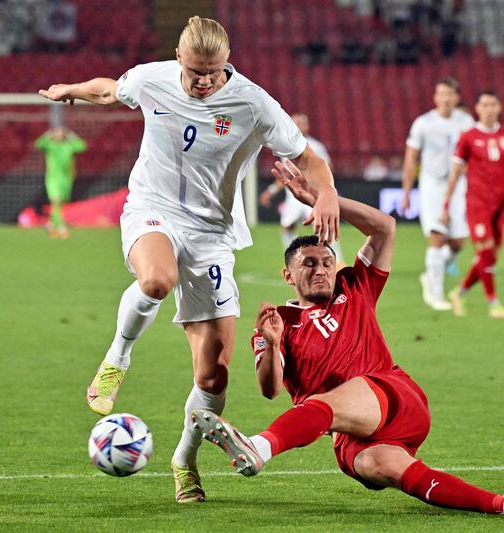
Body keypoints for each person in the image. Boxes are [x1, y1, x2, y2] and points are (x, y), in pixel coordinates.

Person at [38, 16, 340, 503]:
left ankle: (185, 460)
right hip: (152, 208)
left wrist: (327, 194)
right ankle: (118, 357)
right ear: (179, 59)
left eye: (214, 71)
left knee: (213, 375)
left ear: (226, 63)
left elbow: (310, 158)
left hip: (212, 234)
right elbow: (109, 91)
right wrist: (71, 88)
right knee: (156, 280)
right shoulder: (151, 78)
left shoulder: (252, 102)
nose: (205, 81)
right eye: (196, 71)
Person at [191, 159, 504, 519]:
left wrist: (321, 198)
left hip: (393, 396)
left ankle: (258, 446)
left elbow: (385, 228)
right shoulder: (278, 322)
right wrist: (270, 343)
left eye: (326, 262)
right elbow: (270, 390)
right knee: (391, 469)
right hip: (350, 435)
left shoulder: (355, 285)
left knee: (326, 402)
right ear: (288, 274)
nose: (321, 270)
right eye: (309, 264)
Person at [442, 91, 504, 319]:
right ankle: (493, 303)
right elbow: (454, 174)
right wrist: (445, 205)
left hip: (499, 205)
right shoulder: (468, 137)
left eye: (493, 104)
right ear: (477, 108)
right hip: (476, 204)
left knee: (490, 256)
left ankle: (459, 292)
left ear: (499, 107)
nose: (489, 109)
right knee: (485, 250)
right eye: (485, 105)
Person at [401, 78, 475, 311]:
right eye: (441, 93)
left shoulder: (466, 123)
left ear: (457, 97)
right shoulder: (423, 123)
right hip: (432, 184)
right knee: (437, 236)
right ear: (435, 97)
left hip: (458, 184)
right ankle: (436, 294)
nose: (445, 98)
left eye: (450, 94)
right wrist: (406, 191)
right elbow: (411, 158)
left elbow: (474, 156)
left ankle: (431, 275)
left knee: (458, 242)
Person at [259, 112, 344, 263]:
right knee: (286, 227)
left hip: (312, 195)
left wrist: (325, 191)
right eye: (295, 122)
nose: (297, 126)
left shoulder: (316, 146)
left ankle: (336, 260)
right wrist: (270, 191)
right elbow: (285, 175)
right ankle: (293, 260)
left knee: (322, 226)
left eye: (301, 123)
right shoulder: (286, 147)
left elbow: (328, 170)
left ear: (307, 126)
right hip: (293, 197)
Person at [33, 127, 87, 238]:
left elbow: (82, 146)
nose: (59, 135)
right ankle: (61, 226)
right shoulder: (51, 146)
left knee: (60, 204)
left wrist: (72, 136)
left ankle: (50, 224)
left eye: (61, 133)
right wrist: (47, 134)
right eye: (56, 133)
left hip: (66, 179)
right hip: (53, 179)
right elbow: (38, 144)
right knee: (56, 201)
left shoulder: (68, 146)